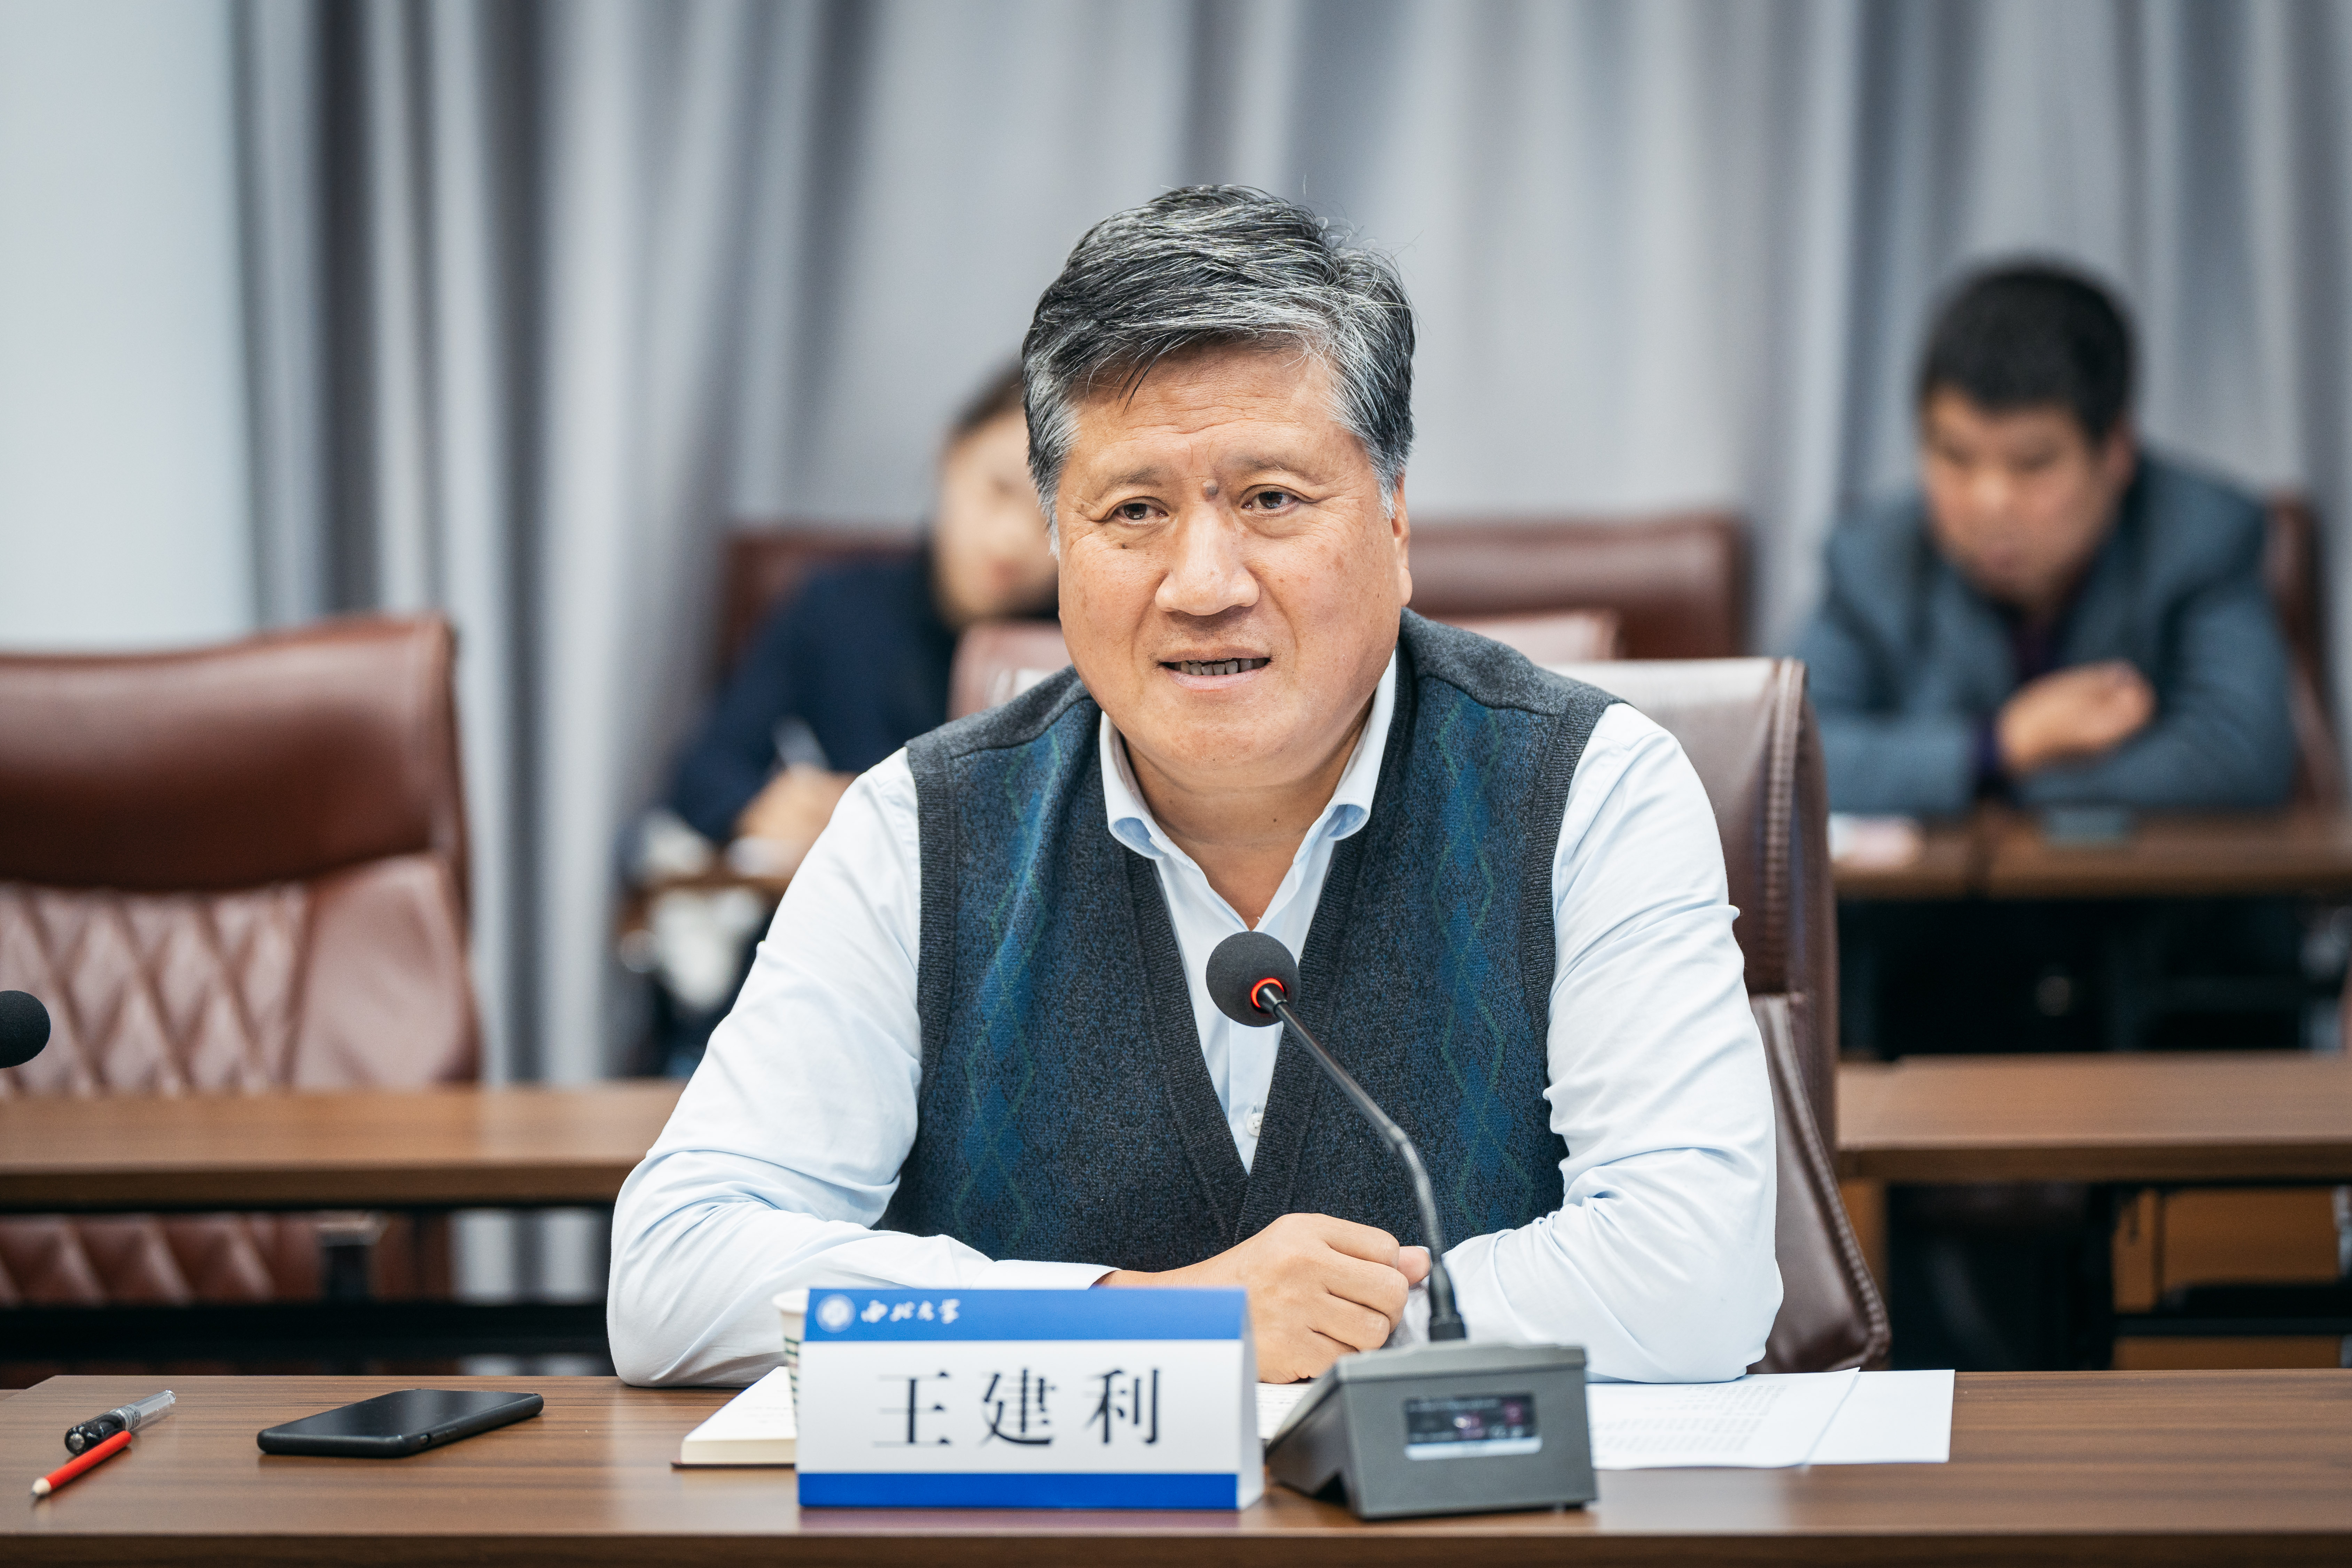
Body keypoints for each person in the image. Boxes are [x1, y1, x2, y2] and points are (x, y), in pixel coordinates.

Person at [610, 187, 1780, 1389]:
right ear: (1060, 550)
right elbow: (671, 1277)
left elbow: (1695, 1280)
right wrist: (1155, 1320)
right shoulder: (919, 828)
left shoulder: (1591, 791)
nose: (1204, 584)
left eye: (1270, 499)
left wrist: (1329, 1329)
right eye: (1134, 511)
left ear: (1393, 523)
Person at [1798, 263, 2296, 818]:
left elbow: (2241, 757)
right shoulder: (1871, 557)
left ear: (2115, 452)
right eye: (1955, 457)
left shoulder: (2201, 536)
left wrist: (2000, 784)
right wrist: (2000, 745)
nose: (1989, 502)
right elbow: (1790, 760)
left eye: (2032, 464)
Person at [664, 362, 1058, 868]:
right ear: (951, 454)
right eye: (999, 488)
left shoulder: (1083, 653)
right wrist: (769, 807)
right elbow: (707, 772)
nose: (1012, 537)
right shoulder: (836, 608)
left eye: (1050, 514)